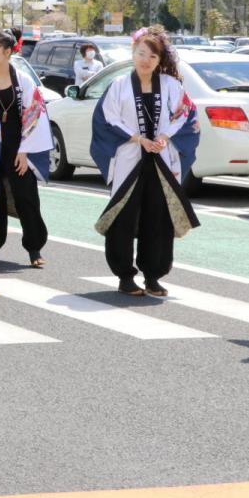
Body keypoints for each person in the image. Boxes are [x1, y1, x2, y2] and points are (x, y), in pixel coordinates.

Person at [91, 27, 200, 297]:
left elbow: (187, 115)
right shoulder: (118, 86)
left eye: (152, 56)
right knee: (123, 217)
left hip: (162, 160)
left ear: (160, 60)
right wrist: (137, 138)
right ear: (133, 53)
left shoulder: (172, 86)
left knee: (158, 219)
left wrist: (164, 136)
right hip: (129, 159)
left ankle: (153, 275)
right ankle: (125, 275)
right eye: (141, 53)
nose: (145, 60)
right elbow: (106, 119)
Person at [0, 31, 53, 268]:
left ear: (8, 52)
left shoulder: (23, 80)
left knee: (26, 197)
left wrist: (25, 151)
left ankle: (34, 248)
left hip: (18, 147)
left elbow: (34, 116)